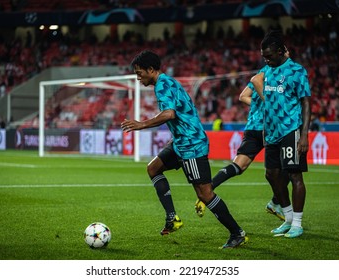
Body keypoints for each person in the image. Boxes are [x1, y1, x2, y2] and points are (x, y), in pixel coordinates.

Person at [121, 50, 248, 248]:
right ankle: (172, 218)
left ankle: (237, 233)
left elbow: (169, 113)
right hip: (181, 142)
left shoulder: (162, 85)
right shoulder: (166, 82)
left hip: (191, 145)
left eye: (139, 73)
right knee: (153, 168)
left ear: (151, 70)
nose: (138, 77)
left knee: (205, 194)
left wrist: (141, 124)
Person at [195, 69, 285, 221]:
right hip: (270, 128)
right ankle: (275, 203)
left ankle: (207, 192)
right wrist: (269, 105)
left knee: (238, 165)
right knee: (285, 168)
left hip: (252, 128)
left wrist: (258, 103)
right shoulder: (278, 74)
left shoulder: (262, 72)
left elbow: (243, 96)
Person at [259, 30, 311, 238]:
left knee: (294, 175)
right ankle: (287, 218)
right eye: (264, 56)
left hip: (291, 129)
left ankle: (297, 223)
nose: (266, 59)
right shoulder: (268, 69)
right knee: (271, 174)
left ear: (281, 52)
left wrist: (304, 134)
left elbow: (306, 102)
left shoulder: (297, 71)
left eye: (269, 56)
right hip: (271, 132)